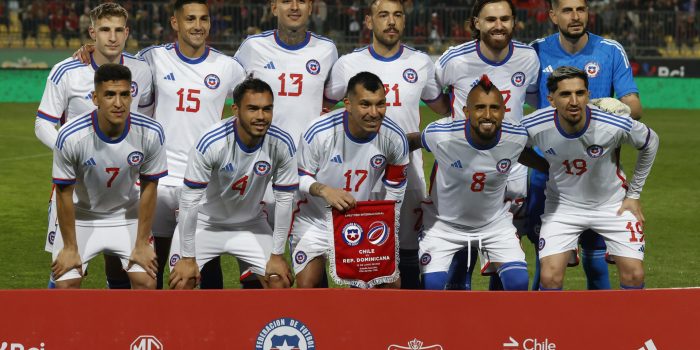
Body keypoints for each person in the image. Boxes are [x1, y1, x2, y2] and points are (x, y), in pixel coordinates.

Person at [323, 0, 449, 289]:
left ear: (404, 21)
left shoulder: (420, 62)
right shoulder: (348, 64)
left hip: (408, 173)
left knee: (408, 251)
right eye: (383, 15)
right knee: (363, 254)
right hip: (359, 174)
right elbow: (323, 107)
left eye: (397, 15)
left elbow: (443, 107)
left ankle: (409, 329)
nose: (391, 21)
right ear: (369, 21)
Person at [527, 0, 643, 290]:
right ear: (553, 15)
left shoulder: (610, 50)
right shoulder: (536, 51)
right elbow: (527, 101)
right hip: (550, 173)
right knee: (546, 263)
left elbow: (634, 106)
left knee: (596, 259)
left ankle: (599, 332)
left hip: (598, 172)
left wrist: (607, 106)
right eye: (567, 10)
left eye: (580, 9)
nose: (575, 16)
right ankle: (542, 333)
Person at [37, 2, 154, 289]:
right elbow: (42, 124)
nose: (111, 37)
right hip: (77, 188)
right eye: (104, 30)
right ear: (92, 33)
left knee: (134, 270)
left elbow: (146, 121)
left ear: (127, 33)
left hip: (125, 188)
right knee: (66, 268)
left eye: (117, 30)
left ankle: (125, 333)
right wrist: (70, 156)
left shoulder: (141, 71)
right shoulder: (67, 71)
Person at [135, 0, 247, 289]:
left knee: (204, 262)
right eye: (190, 19)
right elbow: (117, 65)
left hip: (204, 181)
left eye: (204, 19)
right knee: (154, 263)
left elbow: (249, 110)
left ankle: (211, 331)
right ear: (175, 23)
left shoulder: (228, 68)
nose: (198, 26)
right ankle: (155, 328)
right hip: (158, 180)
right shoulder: (151, 58)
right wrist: (86, 52)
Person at [434, 0, 540, 290]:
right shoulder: (453, 59)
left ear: (514, 22)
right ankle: (458, 317)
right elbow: (436, 97)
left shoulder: (529, 57)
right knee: (460, 251)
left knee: (507, 248)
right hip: (464, 167)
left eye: (505, 19)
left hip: (512, 167)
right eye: (490, 19)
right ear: (476, 23)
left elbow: (529, 98)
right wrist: (461, 123)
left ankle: (497, 324)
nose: (498, 25)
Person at [522, 66, 658, 290]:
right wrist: (544, 166)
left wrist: (633, 194)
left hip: (613, 206)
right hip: (562, 208)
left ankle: (630, 325)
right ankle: (551, 325)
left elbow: (651, 142)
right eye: (565, 94)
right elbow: (514, 148)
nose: (574, 101)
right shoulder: (534, 125)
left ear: (589, 95)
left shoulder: (613, 123)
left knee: (634, 275)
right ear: (551, 99)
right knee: (549, 276)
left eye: (580, 93)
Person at [232, 0, 338, 288]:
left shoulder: (327, 50)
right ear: (273, 7)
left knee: (312, 274)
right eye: (286, 0)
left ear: (312, 7)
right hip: (261, 171)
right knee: (263, 272)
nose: (294, 6)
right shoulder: (252, 47)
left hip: (308, 172)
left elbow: (328, 103)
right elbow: (232, 99)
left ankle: (317, 329)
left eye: (302, 1)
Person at [410, 75, 547, 290]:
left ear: (504, 111)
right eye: (480, 108)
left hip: (493, 225)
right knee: (432, 286)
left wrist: (551, 168)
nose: (487, 115)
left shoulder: (517, 136)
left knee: (518, 282)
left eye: (494, 108)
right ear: (466, 112)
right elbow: (412, 141)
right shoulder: (441, 134)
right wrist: (383, 157)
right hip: (443, 226)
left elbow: (520, 153)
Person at [168, 78, 297, 290]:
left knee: (279, 280)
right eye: (253, 109)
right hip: (205, 222)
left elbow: (285, 201)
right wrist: (188, 257)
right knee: (182, 281)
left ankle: (256, 323)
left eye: (267, 109)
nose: (261, 116)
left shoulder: (282, 143)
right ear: (236, 110)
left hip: (250, 224)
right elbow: (189, 201)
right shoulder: (212, 142)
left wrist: (277, 254)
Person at [51, 63, 167, 289]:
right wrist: (70, 248)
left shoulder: (151, 132)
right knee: (66, 284)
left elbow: (150, 187)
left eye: (124, 94)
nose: (118, 103)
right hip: (81, 217)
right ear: (95, 98)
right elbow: (64, 194)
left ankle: (137, 327)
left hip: (128, 216)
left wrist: (142, 243)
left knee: (147, 281)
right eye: (110, 95)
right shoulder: (70, 136)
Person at [291, 72, 408, 288]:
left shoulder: (395, 138)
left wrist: (384, 235)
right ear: (348, 104)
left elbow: (395, 194)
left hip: (361, 223)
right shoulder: (319, 132)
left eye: (380, 104)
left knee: (389, 285)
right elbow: (296, 176)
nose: (374, 113)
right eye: (365, 104)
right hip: (315, 221)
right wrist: (324, 190)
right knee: (308, 286)